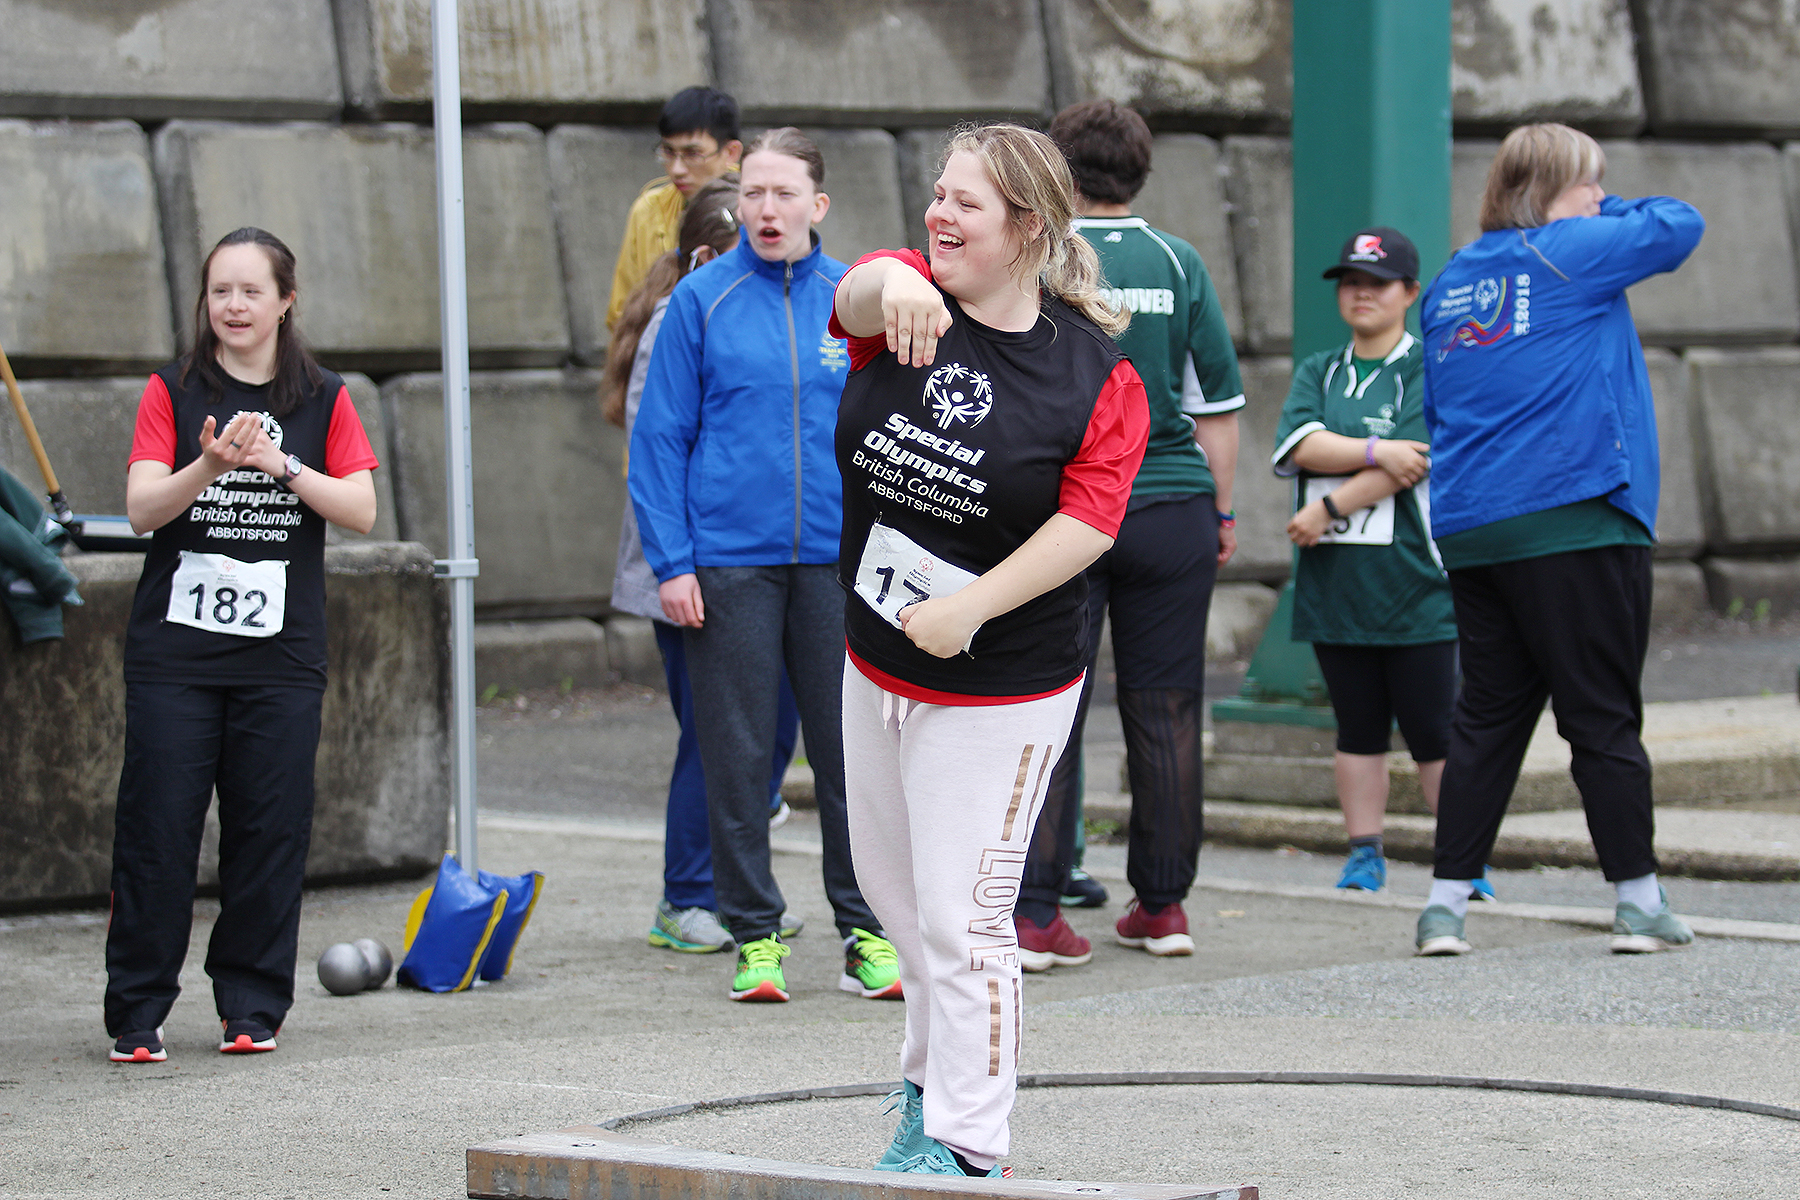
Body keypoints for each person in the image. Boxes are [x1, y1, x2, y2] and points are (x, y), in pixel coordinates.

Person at [832, 124, 1149, 1177]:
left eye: (967, 203)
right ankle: (925, 1093)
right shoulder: (908, 308)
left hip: (999, 689)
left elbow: (1090, 524)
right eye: (936, 194)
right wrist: (890, 277)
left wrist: (974, 607)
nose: (940, 214)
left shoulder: (1094, 375)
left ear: (1027, 227)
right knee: (898, 903)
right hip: (874, 660)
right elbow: (852, 298)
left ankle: (971, 1144)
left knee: (967, 919)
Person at [1417, 123, 1704, 956]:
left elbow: (1440, 410)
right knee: (1602, 715)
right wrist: (1613, 208)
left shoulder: (1450, 283)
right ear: (1550, 192)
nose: (1602, 198)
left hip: (1476, 527)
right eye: (1592, 183)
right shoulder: (1569, 249)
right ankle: (1639, 901)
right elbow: (1681, 223)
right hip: (1576, 513)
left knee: (1487, 719)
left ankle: (1445, 906)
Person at [629, 128, 898, 1002]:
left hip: (838, 566)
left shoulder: (854, 300)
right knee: (738, 756)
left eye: (785, 194)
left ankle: (866, 930)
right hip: (727, 567)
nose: (766, 209)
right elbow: (659, 440)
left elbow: (897, 435)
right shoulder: (701, 301)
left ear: (818, 205)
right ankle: (755, 935)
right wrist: (672, 562)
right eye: (753, 194)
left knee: (849, 754)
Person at [105, 227, 380, 1063]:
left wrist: (279, 465)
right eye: (220, 291)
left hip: (281, 658)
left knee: (270, 829)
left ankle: (252, 1005)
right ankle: (137, 1012)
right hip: (175, 657)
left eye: (251, 291)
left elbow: (361, 510)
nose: (233, 306)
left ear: (285, 301)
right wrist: (211, 467)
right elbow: (143, 510)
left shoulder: (325, 397)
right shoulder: (173, 389)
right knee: (158, 830)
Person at [1009, 99, 1245, 970]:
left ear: (1059, 174)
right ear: (1141, 171)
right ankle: (1165, 905)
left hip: (1066, 512)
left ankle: (1035, 912)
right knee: (1169, 706)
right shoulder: (1179, 263)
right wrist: (1218, 513)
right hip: (1175, 503)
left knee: (1049, 705)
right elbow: (1213, 409)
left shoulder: (1042, 255)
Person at [605, 177, 803, 953]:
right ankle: (687, 893)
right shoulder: (681, 317)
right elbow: (659, 458)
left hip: (764, 562)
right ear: (702, 257)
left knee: (765, 733)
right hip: (695, 566)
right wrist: (680, 565)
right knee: (718, 736)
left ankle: (737, 888)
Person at [1273, 226, 1456, 894]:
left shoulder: (1425, 366)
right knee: (1357, 728)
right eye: (1351, 282)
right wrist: (1376, 451)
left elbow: (1417, 461)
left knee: (1435, 730)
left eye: (1377, 284)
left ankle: (1464, 860)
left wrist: (1327, 507)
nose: (1362, 294)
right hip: (1336, 583)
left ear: (1409, 293)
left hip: (1415, 580)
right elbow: (1297, 445)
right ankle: (1365, 852)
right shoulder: (1320, 369)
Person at [605, 87, 744, 331]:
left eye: (692, 153)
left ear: (730, 152)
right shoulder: (648, 210)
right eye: (669, 152)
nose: (677, 169)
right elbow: (622, 312)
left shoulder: (761, 210)